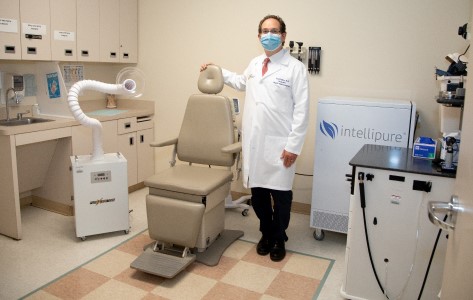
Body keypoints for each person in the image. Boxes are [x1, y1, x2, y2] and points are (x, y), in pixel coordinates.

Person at [201, 14, 310, 261]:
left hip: (281, 145)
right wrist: (215, 70)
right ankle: (266, 233)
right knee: (259, 197)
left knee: (281, 196)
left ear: (283, 36)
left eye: (274, 31)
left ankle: (279, 238)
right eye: (264, 31)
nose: (269, 35)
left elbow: (302, 111)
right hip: (255, 144)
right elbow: (240, 82)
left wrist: (293, 146)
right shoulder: (254, 63)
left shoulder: (295, 69)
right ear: (259, 35)